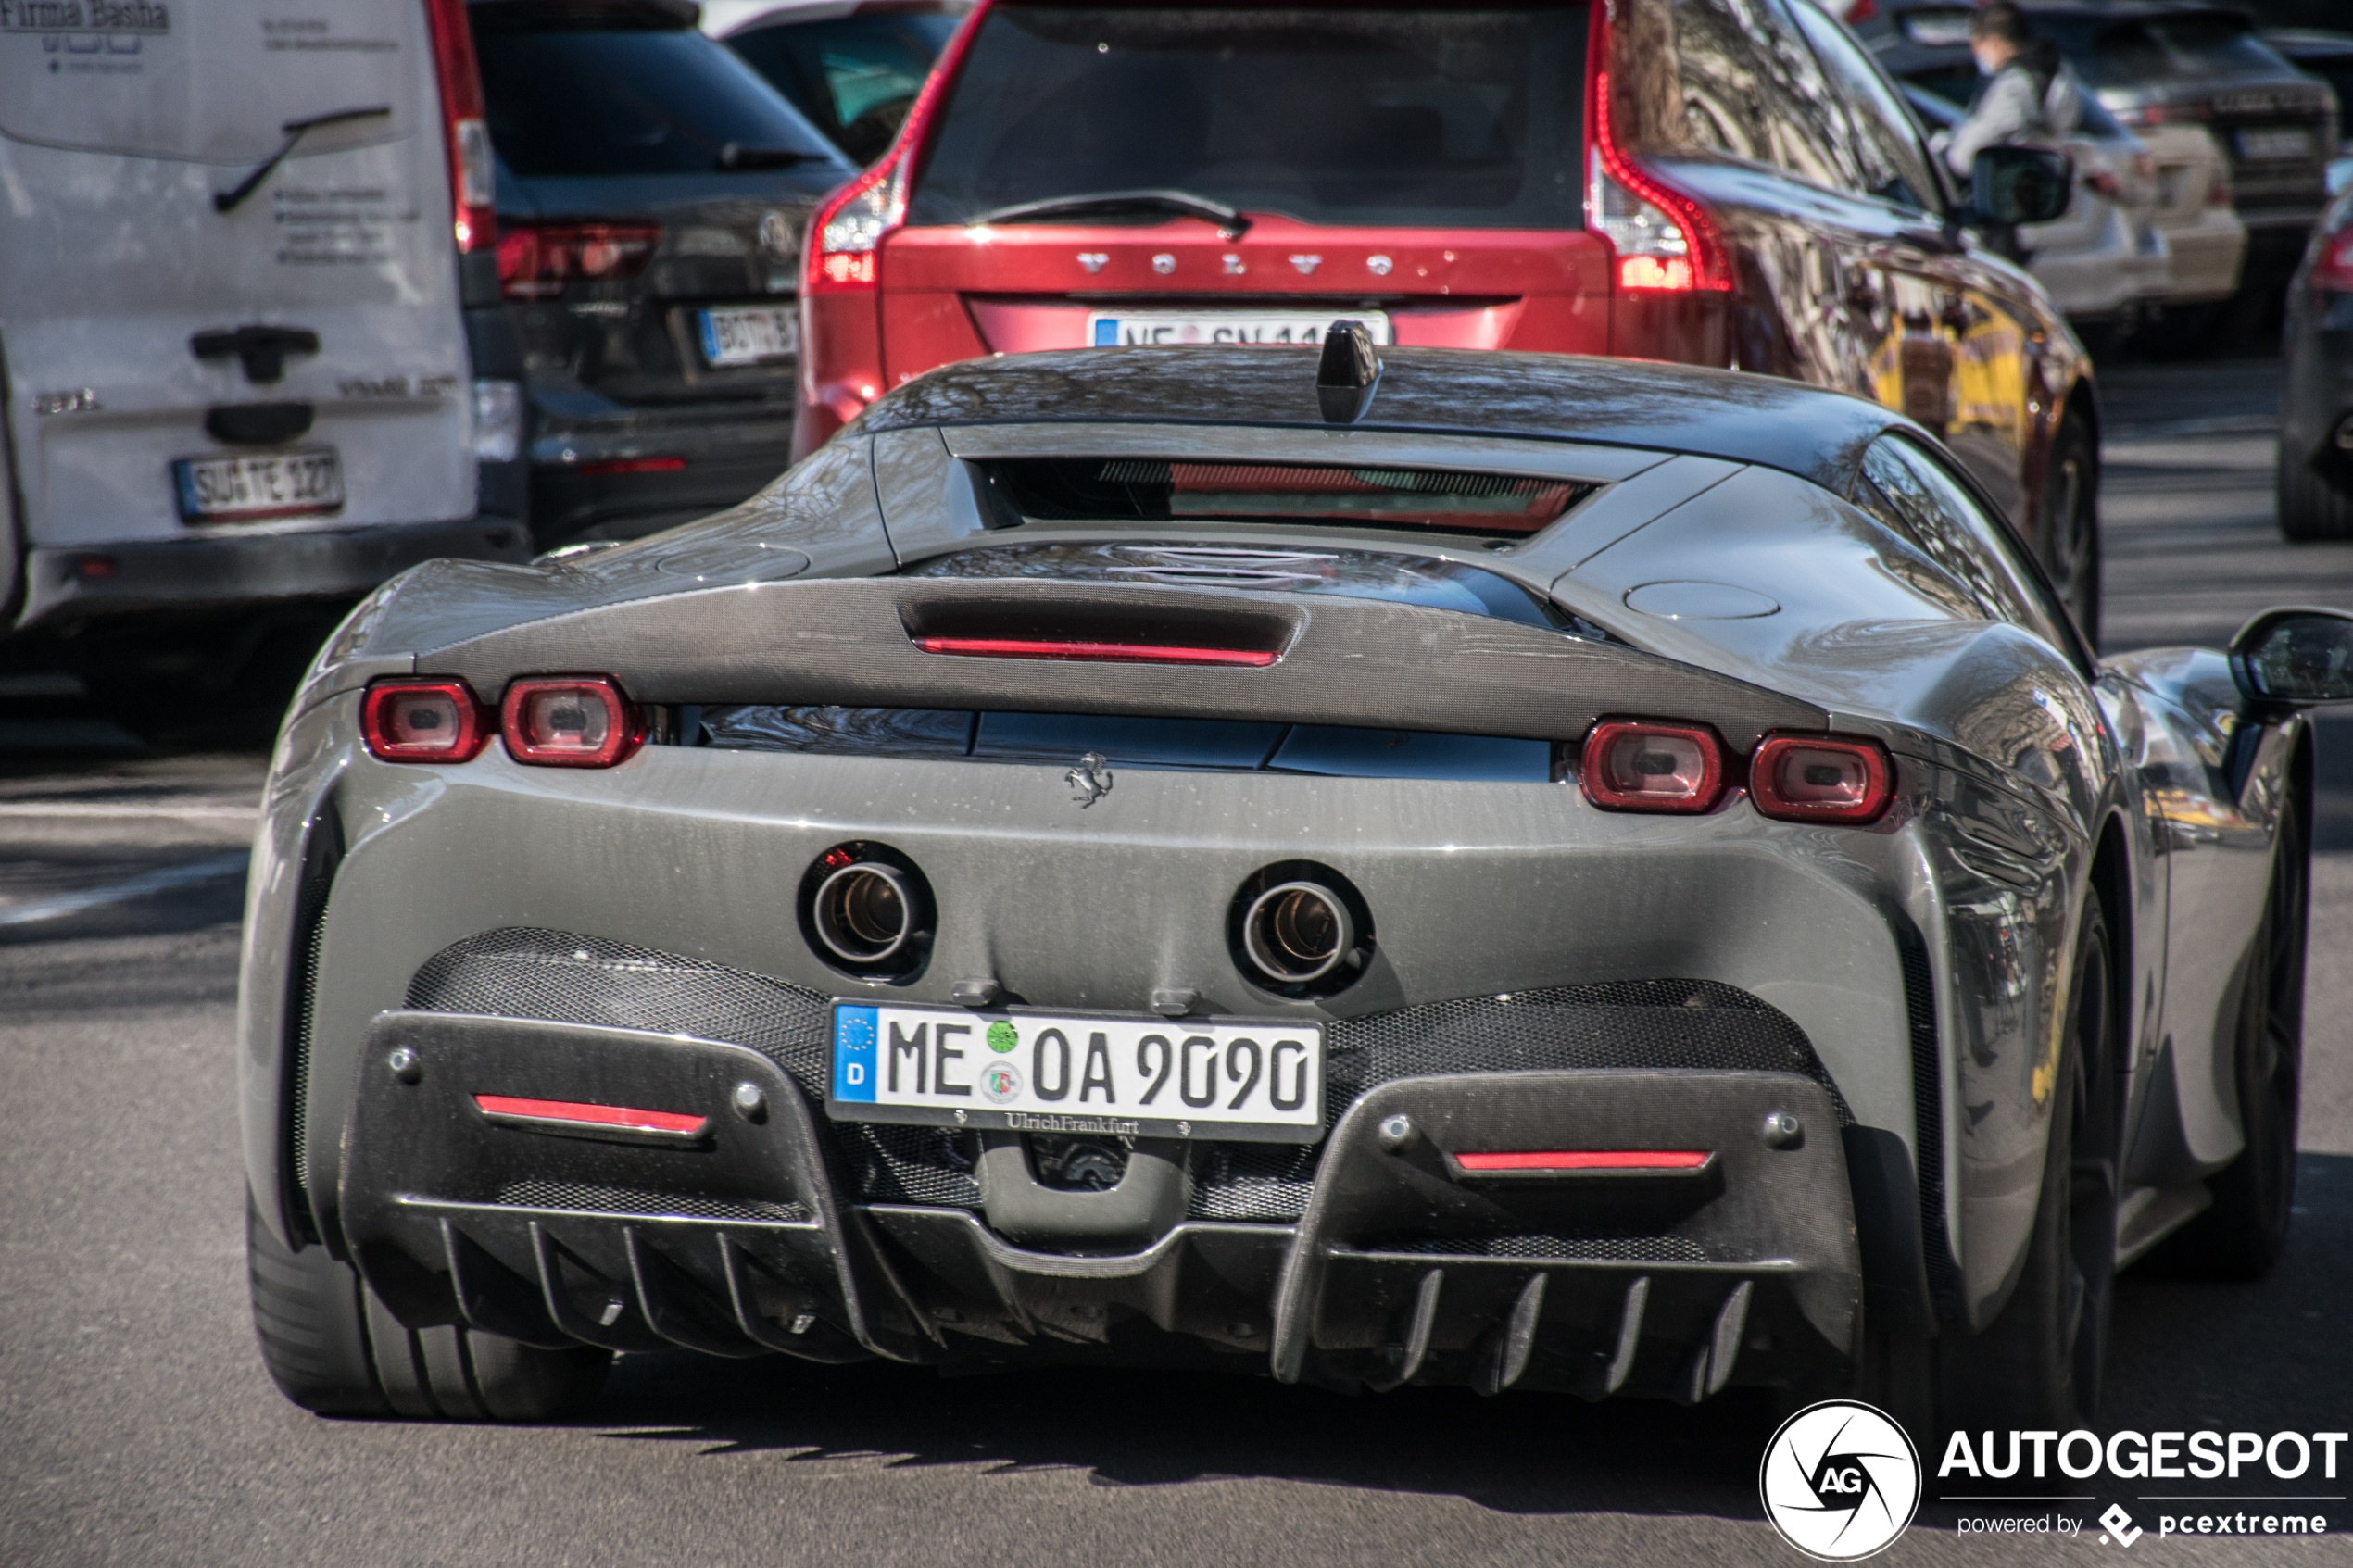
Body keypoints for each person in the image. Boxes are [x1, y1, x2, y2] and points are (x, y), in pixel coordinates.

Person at [1933, 1, 2083, 177]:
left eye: (1978, 47)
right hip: (2055, 180)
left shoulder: (2012, 86)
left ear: (1994, 43)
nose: (1977, 55)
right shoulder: (2058, 70)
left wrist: (1945, 150)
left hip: (2019, 187)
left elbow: (1965, 157)